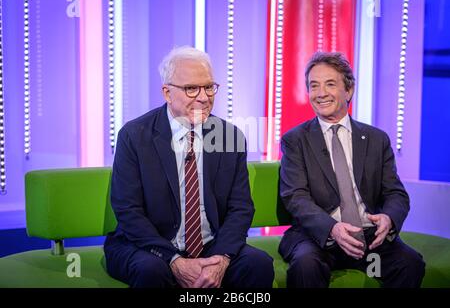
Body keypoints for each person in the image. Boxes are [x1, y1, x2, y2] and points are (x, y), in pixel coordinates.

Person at [104, 46, 274, 288]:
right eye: (192, 89)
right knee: (151, 271)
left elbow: (241, 208)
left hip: (211, 245)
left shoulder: (229, 137)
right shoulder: (134, 136)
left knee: (258, 265)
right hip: (149, 246)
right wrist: (173, 260)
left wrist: (221, 259)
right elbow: (128, 210)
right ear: (167, 93)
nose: (204, 98)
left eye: (208, 87)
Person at [278, 51, 425, 288]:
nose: (321, 93)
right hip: (318, 237)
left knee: (410, 263)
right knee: (306, 266)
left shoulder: (377, 139)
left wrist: (389, 218)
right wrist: (332, 229)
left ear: (349, 90)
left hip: (368, 239)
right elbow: (295, 197)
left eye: (330, 84)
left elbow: (395, 194)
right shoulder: (295, 140)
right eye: (314, 86)